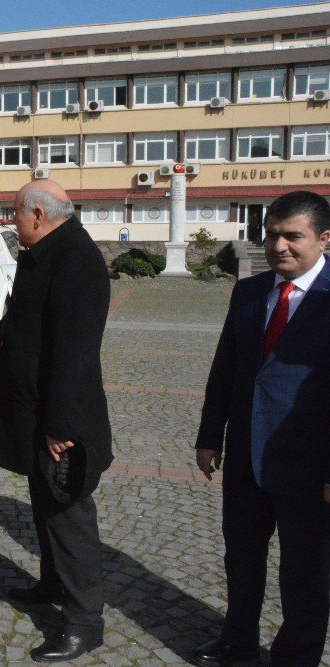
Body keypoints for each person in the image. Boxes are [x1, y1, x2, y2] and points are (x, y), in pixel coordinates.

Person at [192, 190, 330, 667]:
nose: (279, 246)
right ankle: (237, 639)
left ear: (324, 238)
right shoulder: (249, 291)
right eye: (271, 235)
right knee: (242, 558)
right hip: (247, 455)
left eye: (293, 236)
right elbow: (226, 367)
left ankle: (296, 656)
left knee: (305, 571)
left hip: (309, 467)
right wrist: (210, 436)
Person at [0, 179, 112, 662]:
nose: (11, 222)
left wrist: (61, 425)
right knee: (43, 502)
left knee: (68, 514)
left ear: (37, 215)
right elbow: (21, 325)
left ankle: (84, 623)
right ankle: (52, 583)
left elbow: (74, 352)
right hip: (37, 413)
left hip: (63, 421)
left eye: (14, 213)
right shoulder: (44, 253)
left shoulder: (74, 259)